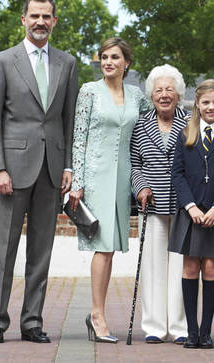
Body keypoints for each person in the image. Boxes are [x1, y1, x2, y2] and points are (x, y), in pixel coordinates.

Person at [0, 0, 79, 344]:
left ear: (54, 22)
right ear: (23, 19)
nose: (40, 22)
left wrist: (68, 165)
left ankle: (32, 322)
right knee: (4, 249)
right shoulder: (2, 61)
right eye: (34, 16)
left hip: (51, 170)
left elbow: (68, 120)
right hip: (13, 170)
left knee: (41, 250)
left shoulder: (67, 64)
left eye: (46, 17)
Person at [69, 37, 150, 343]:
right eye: (104, 57)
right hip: (95, 176)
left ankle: (96, 313)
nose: (108, 62)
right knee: (102, 247)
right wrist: (77, 182)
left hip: (123, 179)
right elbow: (79, 137)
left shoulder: (136, 96)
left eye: (115, 57)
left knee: (111, 247)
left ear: (126, 62)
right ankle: (97, 315)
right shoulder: (89, 91)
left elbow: (152, 123)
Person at [169, 79, 214, 349]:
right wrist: (191, 207)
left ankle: (206, 332)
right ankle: (192, 331)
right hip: (191, 213)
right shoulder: (186, 134)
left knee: (210, 267)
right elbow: (177, 174)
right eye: (206, 102)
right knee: (190, 267)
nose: (211, 107)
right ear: (197, 104)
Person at [129, 64, 189, 344]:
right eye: (158, 90)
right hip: (150, 203)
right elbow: (134, 163)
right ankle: (154, 326)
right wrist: (141, 186)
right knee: (152, 266)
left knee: (181, 266)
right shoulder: (140, 124)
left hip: (183, 203)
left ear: (178, 94)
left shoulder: (191, 123)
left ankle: (179, 327)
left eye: (169, 90)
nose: (164, 95)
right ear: (151, 94)